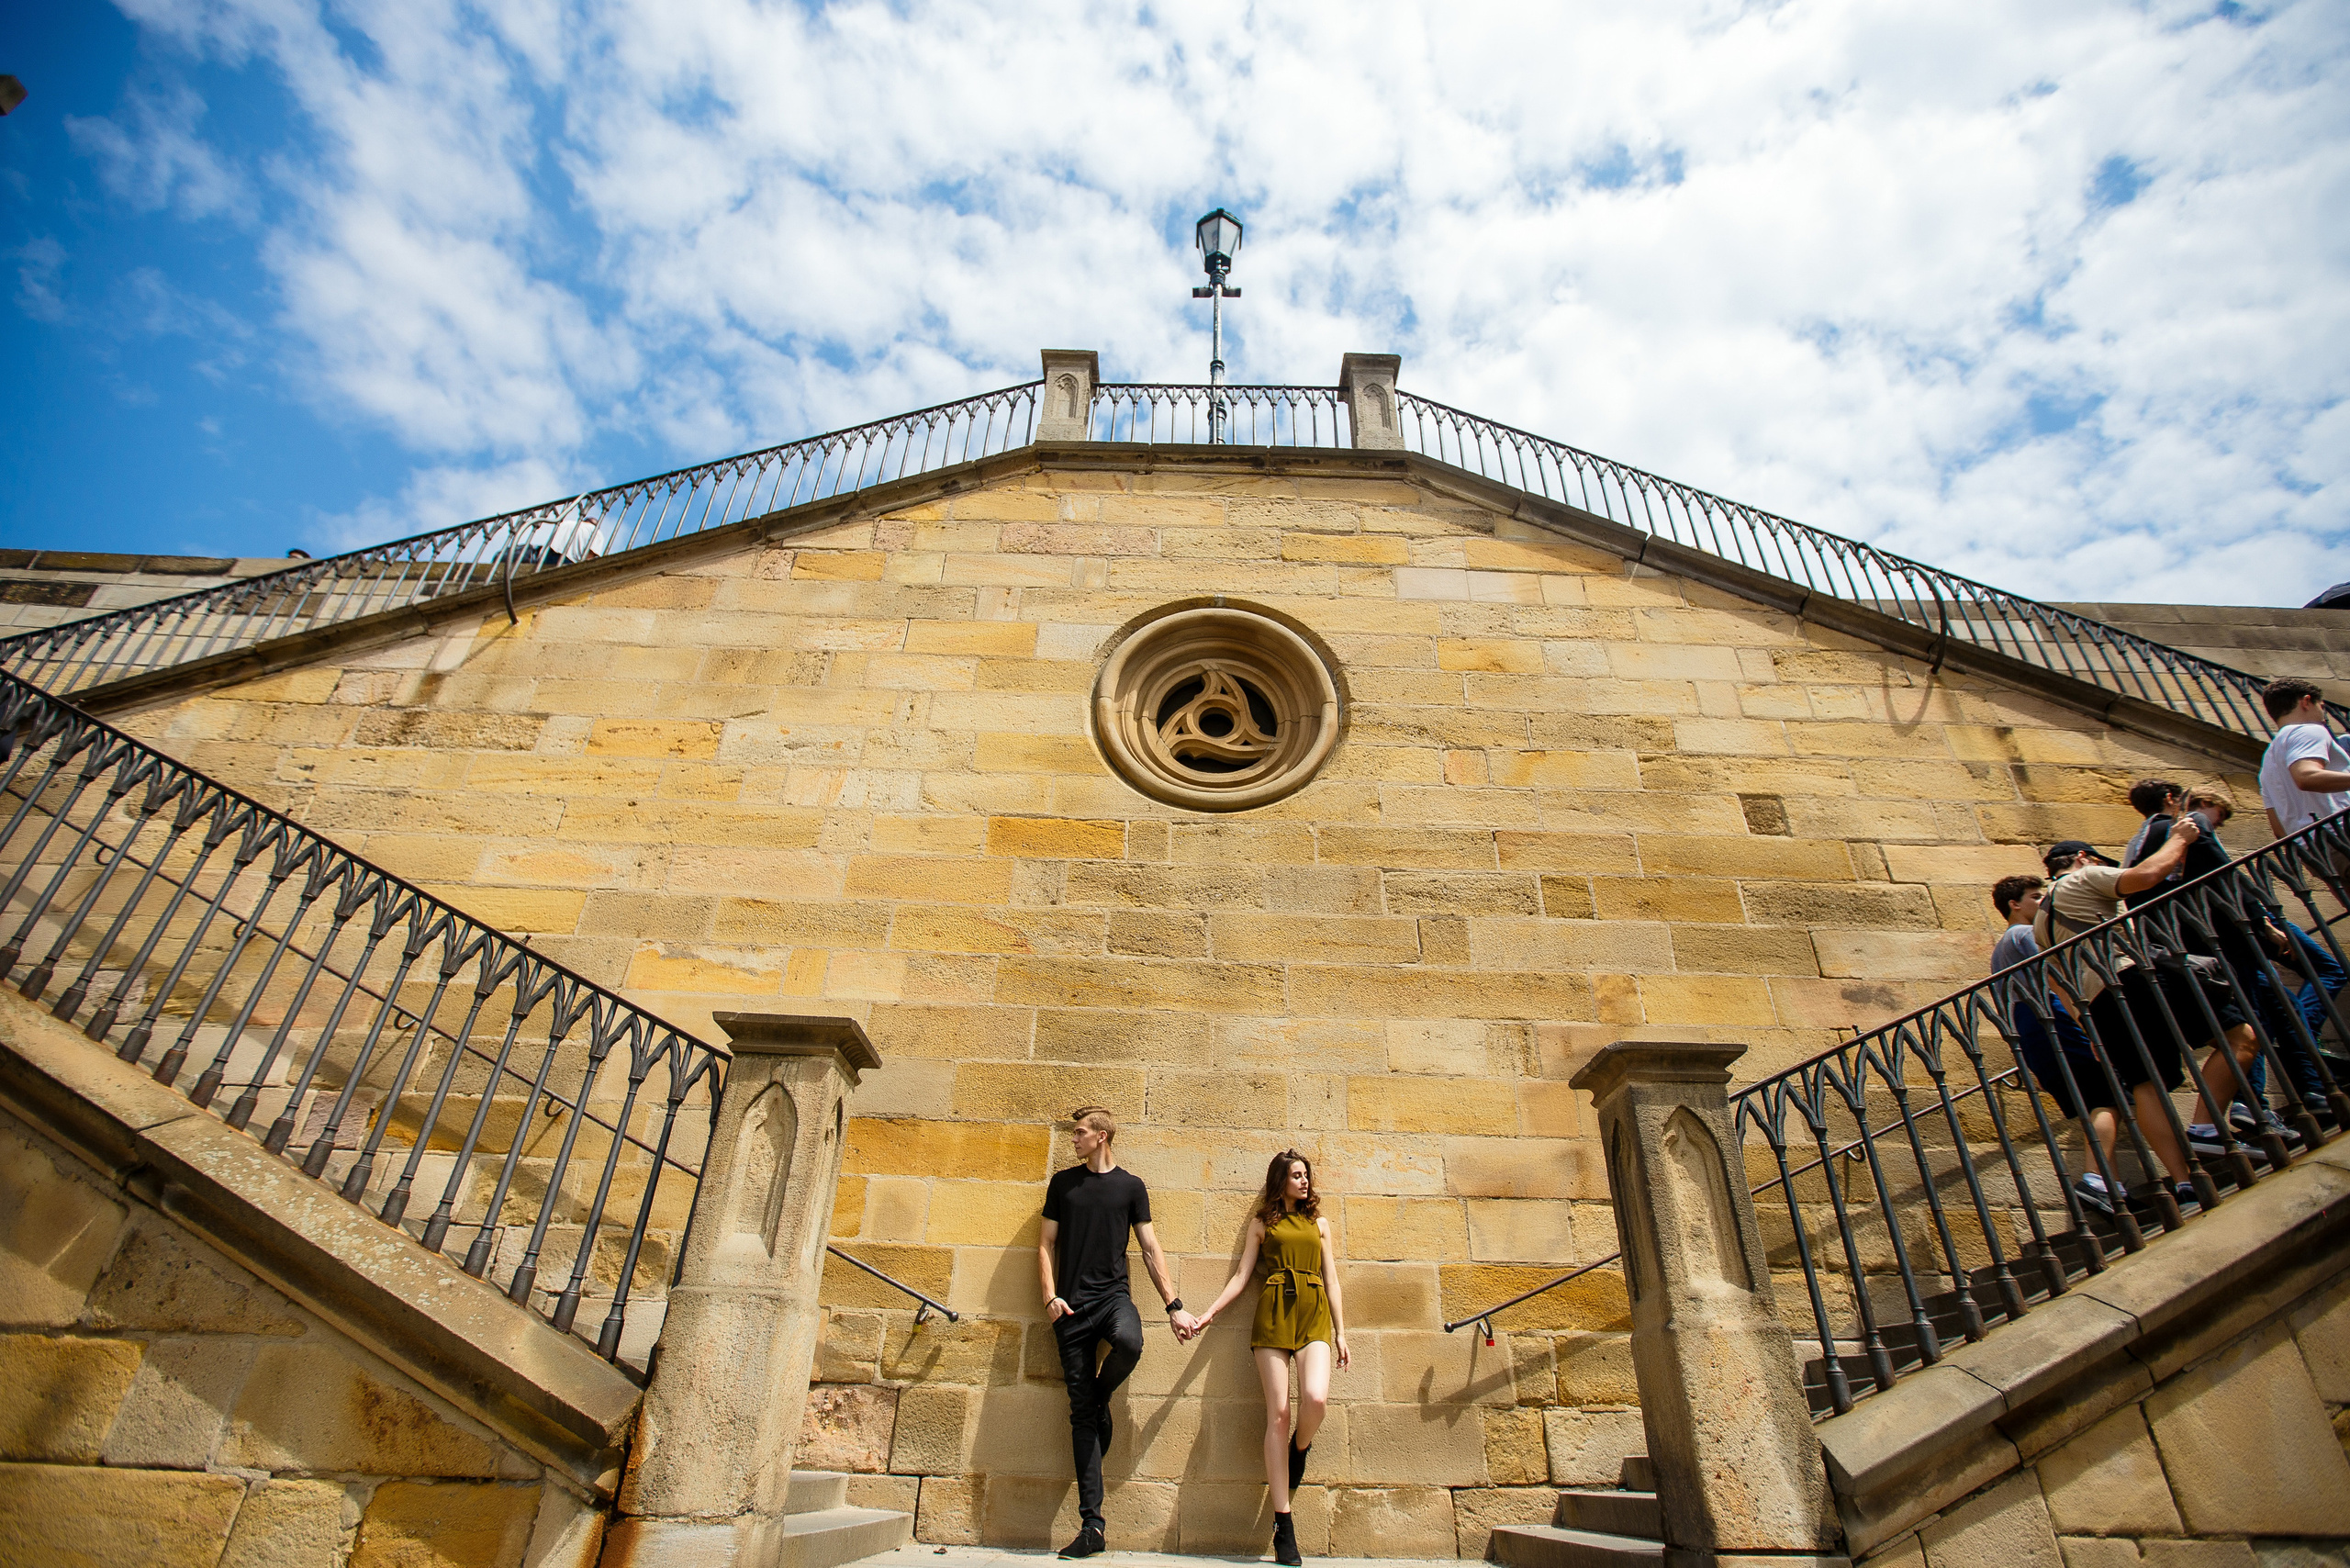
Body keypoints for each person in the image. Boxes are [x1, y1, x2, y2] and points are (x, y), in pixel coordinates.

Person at [2036, 832, 2257, 1216]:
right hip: (2135, 978)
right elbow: (2148, 874)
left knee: (2146, 1086)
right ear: (2085, 857)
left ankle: (2186, 1182)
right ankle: (2205, 1129)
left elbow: (2059, 983)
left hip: (2101, 1003)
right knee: (2241, 1037)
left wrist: (2087, 1027)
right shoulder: (2084, 877)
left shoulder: (2041, 922)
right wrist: (2180, 838)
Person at [1038, 1106, 1196, 1559]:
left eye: (1081, 1132)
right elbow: (1046, 1243)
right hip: (1069, 1309)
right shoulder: (1063, 1185)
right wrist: (1050, 1297)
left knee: (1129, 1342)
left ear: (1103, 1136)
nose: (1074, 1139)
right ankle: (1093, 1526)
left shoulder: (1131, 1187)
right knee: (1080, 1415)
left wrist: (1174, 1306)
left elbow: (1149, 1248)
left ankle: (1101, 1393)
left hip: (1112, 1300)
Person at [1192, 1150, 1351, 1568]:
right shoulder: (1263, 1223)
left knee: (1315, 1400)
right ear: (1280, 1179)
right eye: (1296, 1175)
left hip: (1314, 1310)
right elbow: (1243, 1275)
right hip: (1273, 1313)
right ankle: (1284, 1523)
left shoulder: (1320, 1223)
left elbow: (1332, 1278)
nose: (1304, 1181)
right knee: (1278, 1414)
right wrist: (1209, 1314)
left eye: (1306, 1175)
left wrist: (1341, 1331)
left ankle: (1300, 1448)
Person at [1988, 874, 2126, 1169]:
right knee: (2107, 1097)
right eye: (2036, 897)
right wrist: (2088, 1027)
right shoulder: (2025, 934)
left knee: (2096, 1101)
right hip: (2050, 1017)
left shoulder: (2001, 948)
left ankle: (2109, 1185)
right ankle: (2098, 1179)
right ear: (2014, 904)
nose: (2043, 902)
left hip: (2029, 1028)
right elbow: (2058, 977)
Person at [2257, 678, 2350, 901]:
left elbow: (2279, 830)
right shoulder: (2309, 730)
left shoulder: (2268, 763)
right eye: (2322, 707)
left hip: (2317, 854)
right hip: (2342, 835)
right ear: (2306, 702)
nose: (2323, 714)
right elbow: (2306, 776)